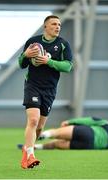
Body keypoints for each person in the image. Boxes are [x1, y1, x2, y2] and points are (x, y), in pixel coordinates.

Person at [18, 15, 73, 169]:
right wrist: (25, 55)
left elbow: (68, 66)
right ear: (46, 27)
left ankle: (26, 150)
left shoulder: (63, 45)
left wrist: (49, 61)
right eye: (54, 24)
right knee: (33, 120)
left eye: (59, 25)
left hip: (49, 89)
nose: (57, 27)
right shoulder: (33, 42)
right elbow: (21, 64)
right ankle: (30, 155)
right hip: (33, 85)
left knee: (40, 127)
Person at [18, 117, 108, 150]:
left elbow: (88, 120)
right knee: (56, 144)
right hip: (88, 145)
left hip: (88, 132)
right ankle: (36, 147)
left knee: (56, 133)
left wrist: (70, 122)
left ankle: (41, 136)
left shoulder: (105, 123)